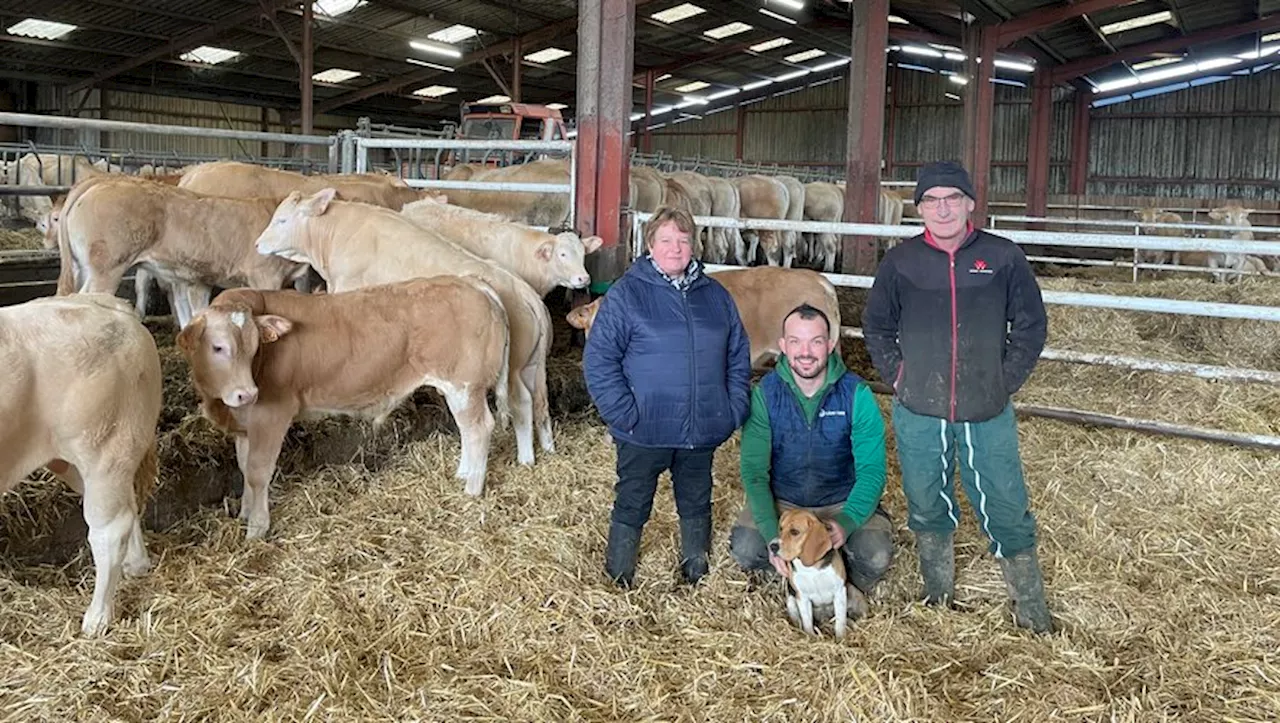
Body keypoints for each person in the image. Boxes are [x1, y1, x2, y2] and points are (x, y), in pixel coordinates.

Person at [861, 160, 1053, 634]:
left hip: (986, 407)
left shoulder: (1003, 257)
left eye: (952, 199)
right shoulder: (900, 262)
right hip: (919, 407)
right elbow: (877, 326)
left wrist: (1004, 379)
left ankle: (1031, 612)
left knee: (1007, 503)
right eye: (931, 200)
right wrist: (899, 375)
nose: (942, 209)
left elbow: (1031, 325)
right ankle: (937, 597)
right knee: (926, 502)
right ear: (919, 208)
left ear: (970, 203)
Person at [583, 206, 752, 588]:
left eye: (683, 240)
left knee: (696, 500)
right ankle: (620, 576)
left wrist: (731, 409)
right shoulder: (627, 294)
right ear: (649, 245)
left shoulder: (716, 296)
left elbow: (738, 355)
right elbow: (599, 360)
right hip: (644, 427)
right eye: (666, 241)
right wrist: (624, 413)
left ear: (693, 245)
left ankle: (696, 573)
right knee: (633, 500)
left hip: (702, 426)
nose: (675, 249)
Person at [730, 303, 893, 615]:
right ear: (782, 346)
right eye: (796, 342)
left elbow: (872, 470)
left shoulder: (856, 394)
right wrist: (770, 532)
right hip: (785, 503)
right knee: (747, 549)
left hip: (839, 499)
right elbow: (754, 471)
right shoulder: (765, 395)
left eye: (816, 341)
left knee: (875, 557)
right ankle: (798, 584)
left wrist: (847, 522)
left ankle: (841, 584)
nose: (805, 352)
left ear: (830, 345)